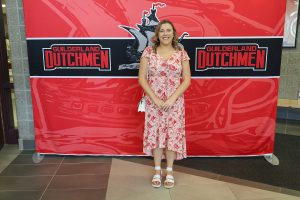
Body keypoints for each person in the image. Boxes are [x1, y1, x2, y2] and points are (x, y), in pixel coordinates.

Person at [138, 20, 191, 189]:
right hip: (154, 102)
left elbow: (187, 80)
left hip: (174, 103)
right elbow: (142, 79)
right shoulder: (148, 52)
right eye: (162, 31)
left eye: (169, 30)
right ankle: (156, 171)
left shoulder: (181, 53)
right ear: (157, 34)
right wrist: (156, 99)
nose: (165, 33)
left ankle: (169, 171)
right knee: (156, 134)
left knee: (172, 135)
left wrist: (171, 99)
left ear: (174, 33)